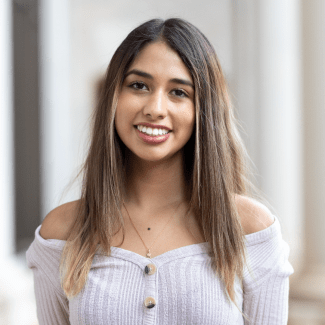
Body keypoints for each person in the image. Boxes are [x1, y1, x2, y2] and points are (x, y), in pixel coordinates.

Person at [26, 18, 294, 324]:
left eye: (179, 92)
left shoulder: (250, 228)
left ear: (203, 110)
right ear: (114, 97)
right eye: (139, 85)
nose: (155, 108)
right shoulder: (63, 231)